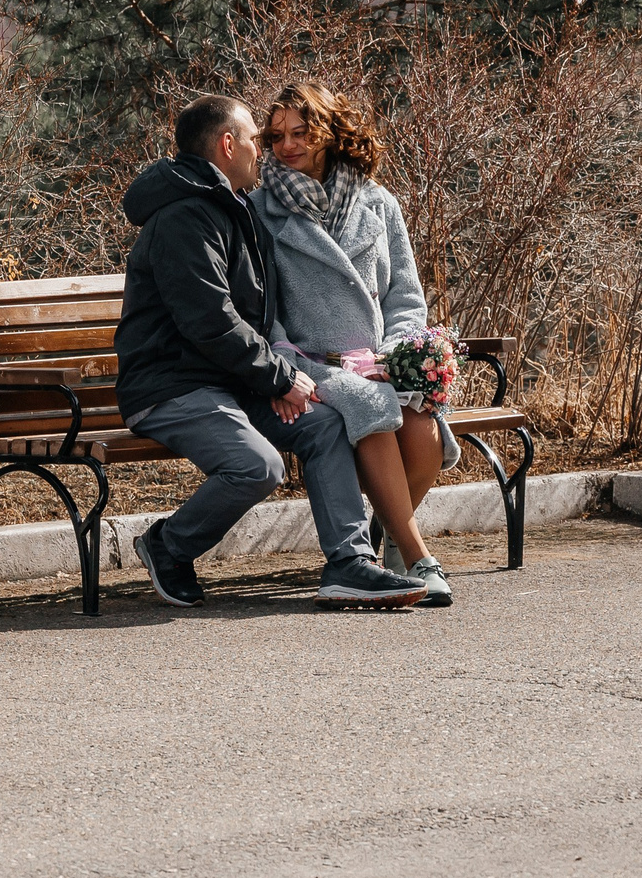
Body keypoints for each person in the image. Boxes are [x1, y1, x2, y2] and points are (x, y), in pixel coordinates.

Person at [117, 94, 432, 610]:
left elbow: (259, 315)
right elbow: (211, 322)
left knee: (324, 424)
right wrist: (279, 378)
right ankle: (168, 545)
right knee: (258, 465)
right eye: (257, 138)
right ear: (227, 144)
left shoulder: (233, 206)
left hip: (233, 380)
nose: (265, 150)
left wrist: (280, 377)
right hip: (175, 385)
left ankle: (350, 563)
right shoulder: (184, 218)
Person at [250, 82, 460, 608]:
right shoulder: (260, 210)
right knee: (369, 404)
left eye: (302, 132)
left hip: (379, 360)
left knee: (422, 428)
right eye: (276, 136)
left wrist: (399, 355)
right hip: (309, 364)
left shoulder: (377, 202)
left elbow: (405, 297)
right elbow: (260, 309)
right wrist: (286, 366)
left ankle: (380, 545)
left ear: (331, 132)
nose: (287, 146)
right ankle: (418, 557)